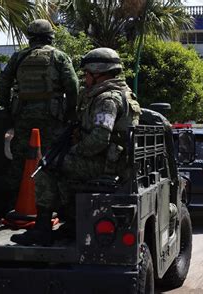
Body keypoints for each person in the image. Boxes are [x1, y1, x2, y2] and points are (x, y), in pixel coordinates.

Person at [10, 47, 141, 246]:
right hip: (113, 160)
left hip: (107, 164)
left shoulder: (107, 99)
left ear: (98, 74)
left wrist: (72, 152)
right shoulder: (118, 93)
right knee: (59, 166)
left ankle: (42, 229)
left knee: (46, 169)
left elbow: (99, 139)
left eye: (87, 74)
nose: (85, 79)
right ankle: (72, 224)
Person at [0, 19, 79, 205]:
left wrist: (8, 108)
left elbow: (3, 84)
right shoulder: (59, 56)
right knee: (52, 156)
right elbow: (73, 86)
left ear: (30, 38)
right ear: (50, 37)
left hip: (23, 113)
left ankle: (13, 202)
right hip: (52, 114)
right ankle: (53, 205)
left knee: (20, 157)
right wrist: (70, 111)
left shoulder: (19, 57)